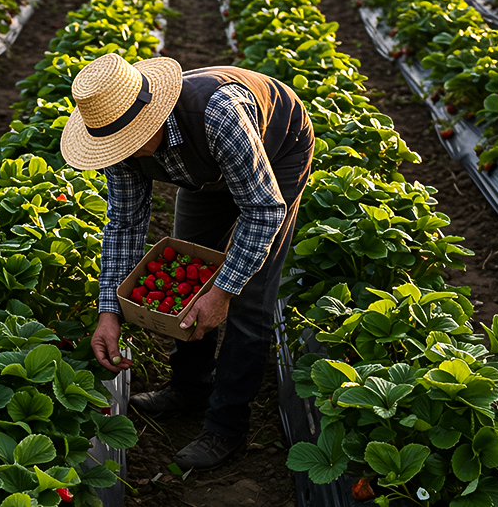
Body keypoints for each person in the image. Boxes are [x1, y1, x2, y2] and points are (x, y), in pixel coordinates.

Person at [60, 52, 314, 470]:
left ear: (152, 119)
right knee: (189, 267)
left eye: (129, 141)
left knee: (249, 296)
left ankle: (227, 425)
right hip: (205, 171)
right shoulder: (117, 142)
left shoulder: (217, 114)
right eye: (115, 145)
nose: (124, 152)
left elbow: (263, 209)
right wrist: (109, 311)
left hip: (277, 151)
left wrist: (224, 290)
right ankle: (189, 387)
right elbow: (125, 222)